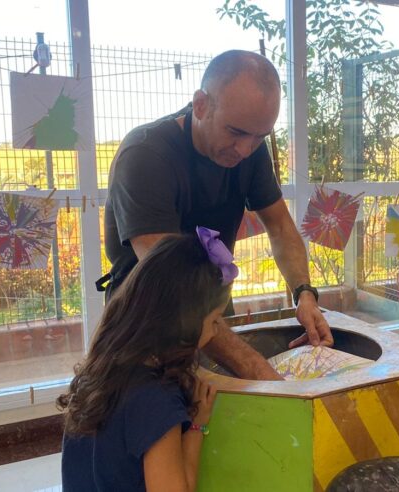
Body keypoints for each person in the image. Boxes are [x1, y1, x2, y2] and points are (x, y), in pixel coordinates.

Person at [102, 50, 333, 380]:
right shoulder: (146, 155)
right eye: (236, 132)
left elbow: (280, 226)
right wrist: (256, 369)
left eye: (259, 137)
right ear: (201, 105)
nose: (245, 150)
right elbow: (172, 285)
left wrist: (305, 294)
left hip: (210, 315)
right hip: (144, 330)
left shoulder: (249, 150)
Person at [58, 229, 235, 491]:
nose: (216, 332)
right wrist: (199, 424)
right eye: (214, 321)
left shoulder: (98, 370)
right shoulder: (156, 400)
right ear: (184, 324)